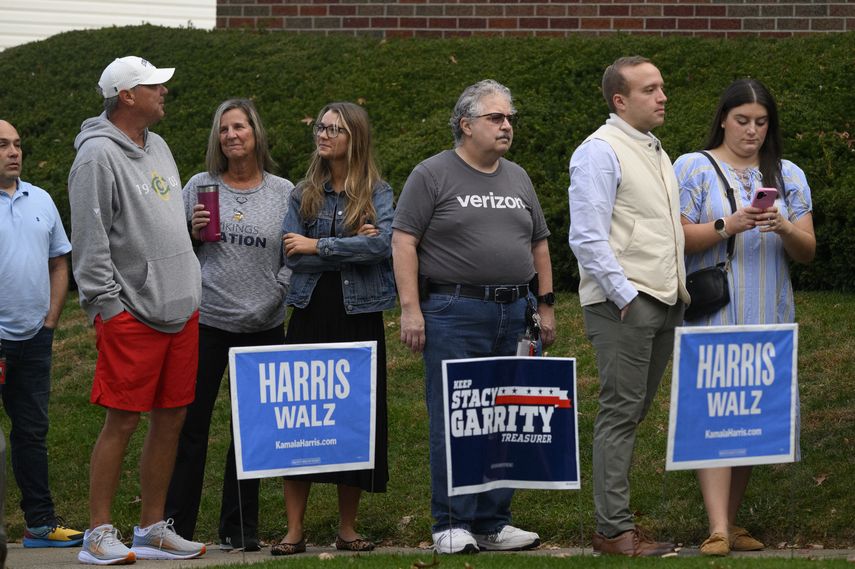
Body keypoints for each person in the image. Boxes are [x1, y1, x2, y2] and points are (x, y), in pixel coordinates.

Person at [393, 79, 555, 555]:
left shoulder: (517, 177)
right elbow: (403, 241)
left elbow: (539, 243)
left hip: (515, 310)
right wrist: (410, 309)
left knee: (506, 416)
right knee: (458, 415)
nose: (507, 126)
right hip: (452, 311)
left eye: (510, 119)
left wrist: (545, 306)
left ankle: (492, 521)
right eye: (496, 118)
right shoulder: (432, 174)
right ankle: (451, 521)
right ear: (466, 124)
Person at [68, 56, 206, 565]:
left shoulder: (160, 145)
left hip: (181, 309)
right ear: (127, 96)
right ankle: (97, 534)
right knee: (122, 422)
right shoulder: (95, 157)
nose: (163, 92)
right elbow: (90, 239)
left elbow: (156, 218)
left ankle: (150, 529)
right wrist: (108, 308)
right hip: (130, 314)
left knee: (171, 419)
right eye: (155, 86)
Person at [673, 78, 815, 557]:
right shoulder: (693, 167)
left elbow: (808, 251)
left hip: (769, 312)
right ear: (722, 119)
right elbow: (673, 239)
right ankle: (716, 528)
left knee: (750, 415)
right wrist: (727, 225)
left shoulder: (787, 174)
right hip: (715, 311)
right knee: (715, 409)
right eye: (742, 121)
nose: (751, 131)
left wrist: (785, 226)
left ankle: (730, 524)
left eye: (761, 122)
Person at [567, 56, 688, 557]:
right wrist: (626, 296)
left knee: (631, 413)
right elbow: (587, 237)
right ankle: (613, 532)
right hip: (626, 303)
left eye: (662, 86)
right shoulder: (599, 150)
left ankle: (617, 526)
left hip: (662, 299)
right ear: (620, 100)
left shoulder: (653, 149)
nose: (662, 96)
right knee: (620, 414)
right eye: (650, 89)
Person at [164, 99, 294, 551]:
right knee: (189, 426)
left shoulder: (283, 191)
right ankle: (175, 526)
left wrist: (277, 293)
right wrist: (191, 231)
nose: (232, 135)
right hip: (207, 321)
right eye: (223, 130)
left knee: (251, 432)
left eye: (239, 127)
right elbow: (173, 248)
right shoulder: (200, 185)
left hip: (263, 323)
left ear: (255, 133)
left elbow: (293, 255)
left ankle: (239, 528)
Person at [272, 102, 395, 556]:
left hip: (358, 313)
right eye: (321, 127)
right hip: (309, 310)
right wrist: (348, 245)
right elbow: (290, 253)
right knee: (300, 412)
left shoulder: (377, 192)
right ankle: (293, 531)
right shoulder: (303, 192)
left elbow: (382, 244)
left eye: (334, 129)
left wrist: (318, 243)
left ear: (354, 137)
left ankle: (348, 529)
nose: (323, 135)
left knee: (352, 417)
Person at [0, 120, 83, 548]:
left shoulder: (42, 199)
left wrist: (51, 321)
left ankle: (39, 524)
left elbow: (58, 263)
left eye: (17, 144)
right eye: (3, 145)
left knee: (32, 433)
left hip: (34, 339)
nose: (14, 152)